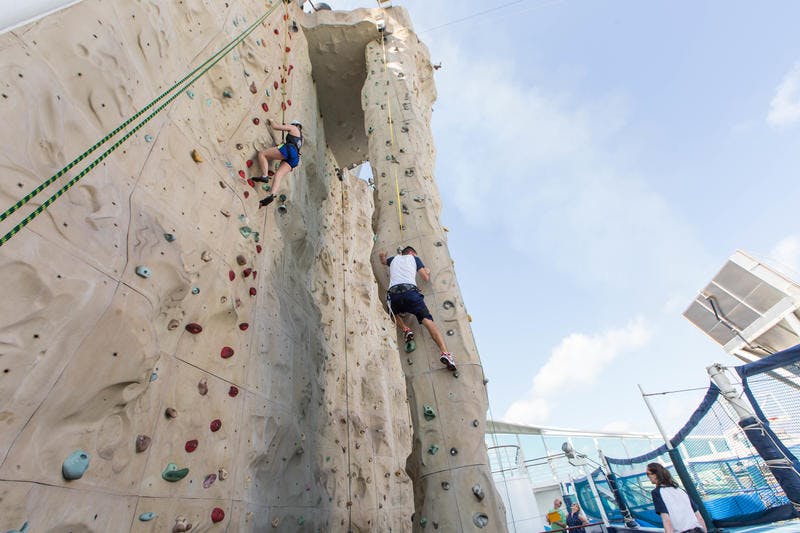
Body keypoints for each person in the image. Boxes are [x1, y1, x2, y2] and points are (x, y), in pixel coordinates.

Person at [379, 246, 456, 370]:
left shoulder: (393, 259)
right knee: (428, 321)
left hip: (394, 295)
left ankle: (405, 329)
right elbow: (425, 277)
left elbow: (383, 261)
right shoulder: (415, 259)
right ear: (411, 253)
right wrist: (427, 271)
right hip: (411, 293)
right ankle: (445, 353)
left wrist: (382, 255)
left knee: (392, 313)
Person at [253, 118, 303, 207]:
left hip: (289, 150)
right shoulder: (300, 138)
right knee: (278, 175)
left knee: (262, 154)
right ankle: (271, 195)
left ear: (295, 125)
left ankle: (265, 176)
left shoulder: (293, 128)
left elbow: (275, 127)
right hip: (295, 158)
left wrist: (272, 121)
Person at [646, 463, 707, 533]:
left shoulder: (657, 493)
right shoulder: (681, 490)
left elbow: (666, 520)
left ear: (655, 474)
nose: (648, 476)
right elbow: (699, 517)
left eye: (648, 474)